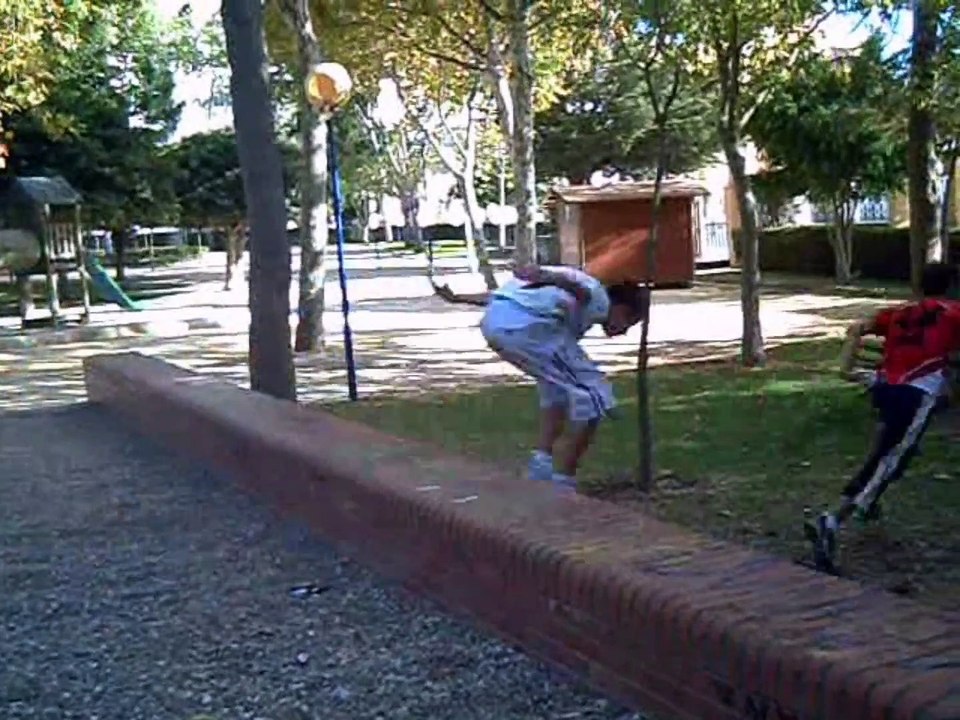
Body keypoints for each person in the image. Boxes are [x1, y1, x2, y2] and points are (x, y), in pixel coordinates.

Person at [435, 265, 647, 493]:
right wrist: (549, 276)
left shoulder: (571, 293)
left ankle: (541, 466)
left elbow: (512, 297)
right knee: (594, 396)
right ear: (621, 308)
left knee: (556, 390)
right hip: (528, 330)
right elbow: (581, 291)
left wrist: (458, 298)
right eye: (629, 322)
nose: (623, 331)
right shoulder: (598, 297)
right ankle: (563, 482)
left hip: (498, 326)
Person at [806, 261, 960, 572]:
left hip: (885, 388)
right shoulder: (954, 314)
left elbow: (857, 328)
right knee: (889, 459)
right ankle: (833, 519)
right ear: (950, 286)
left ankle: (870, 505)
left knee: (892, 450)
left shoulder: (900, 313)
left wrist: (848, 365)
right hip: (916, 395)